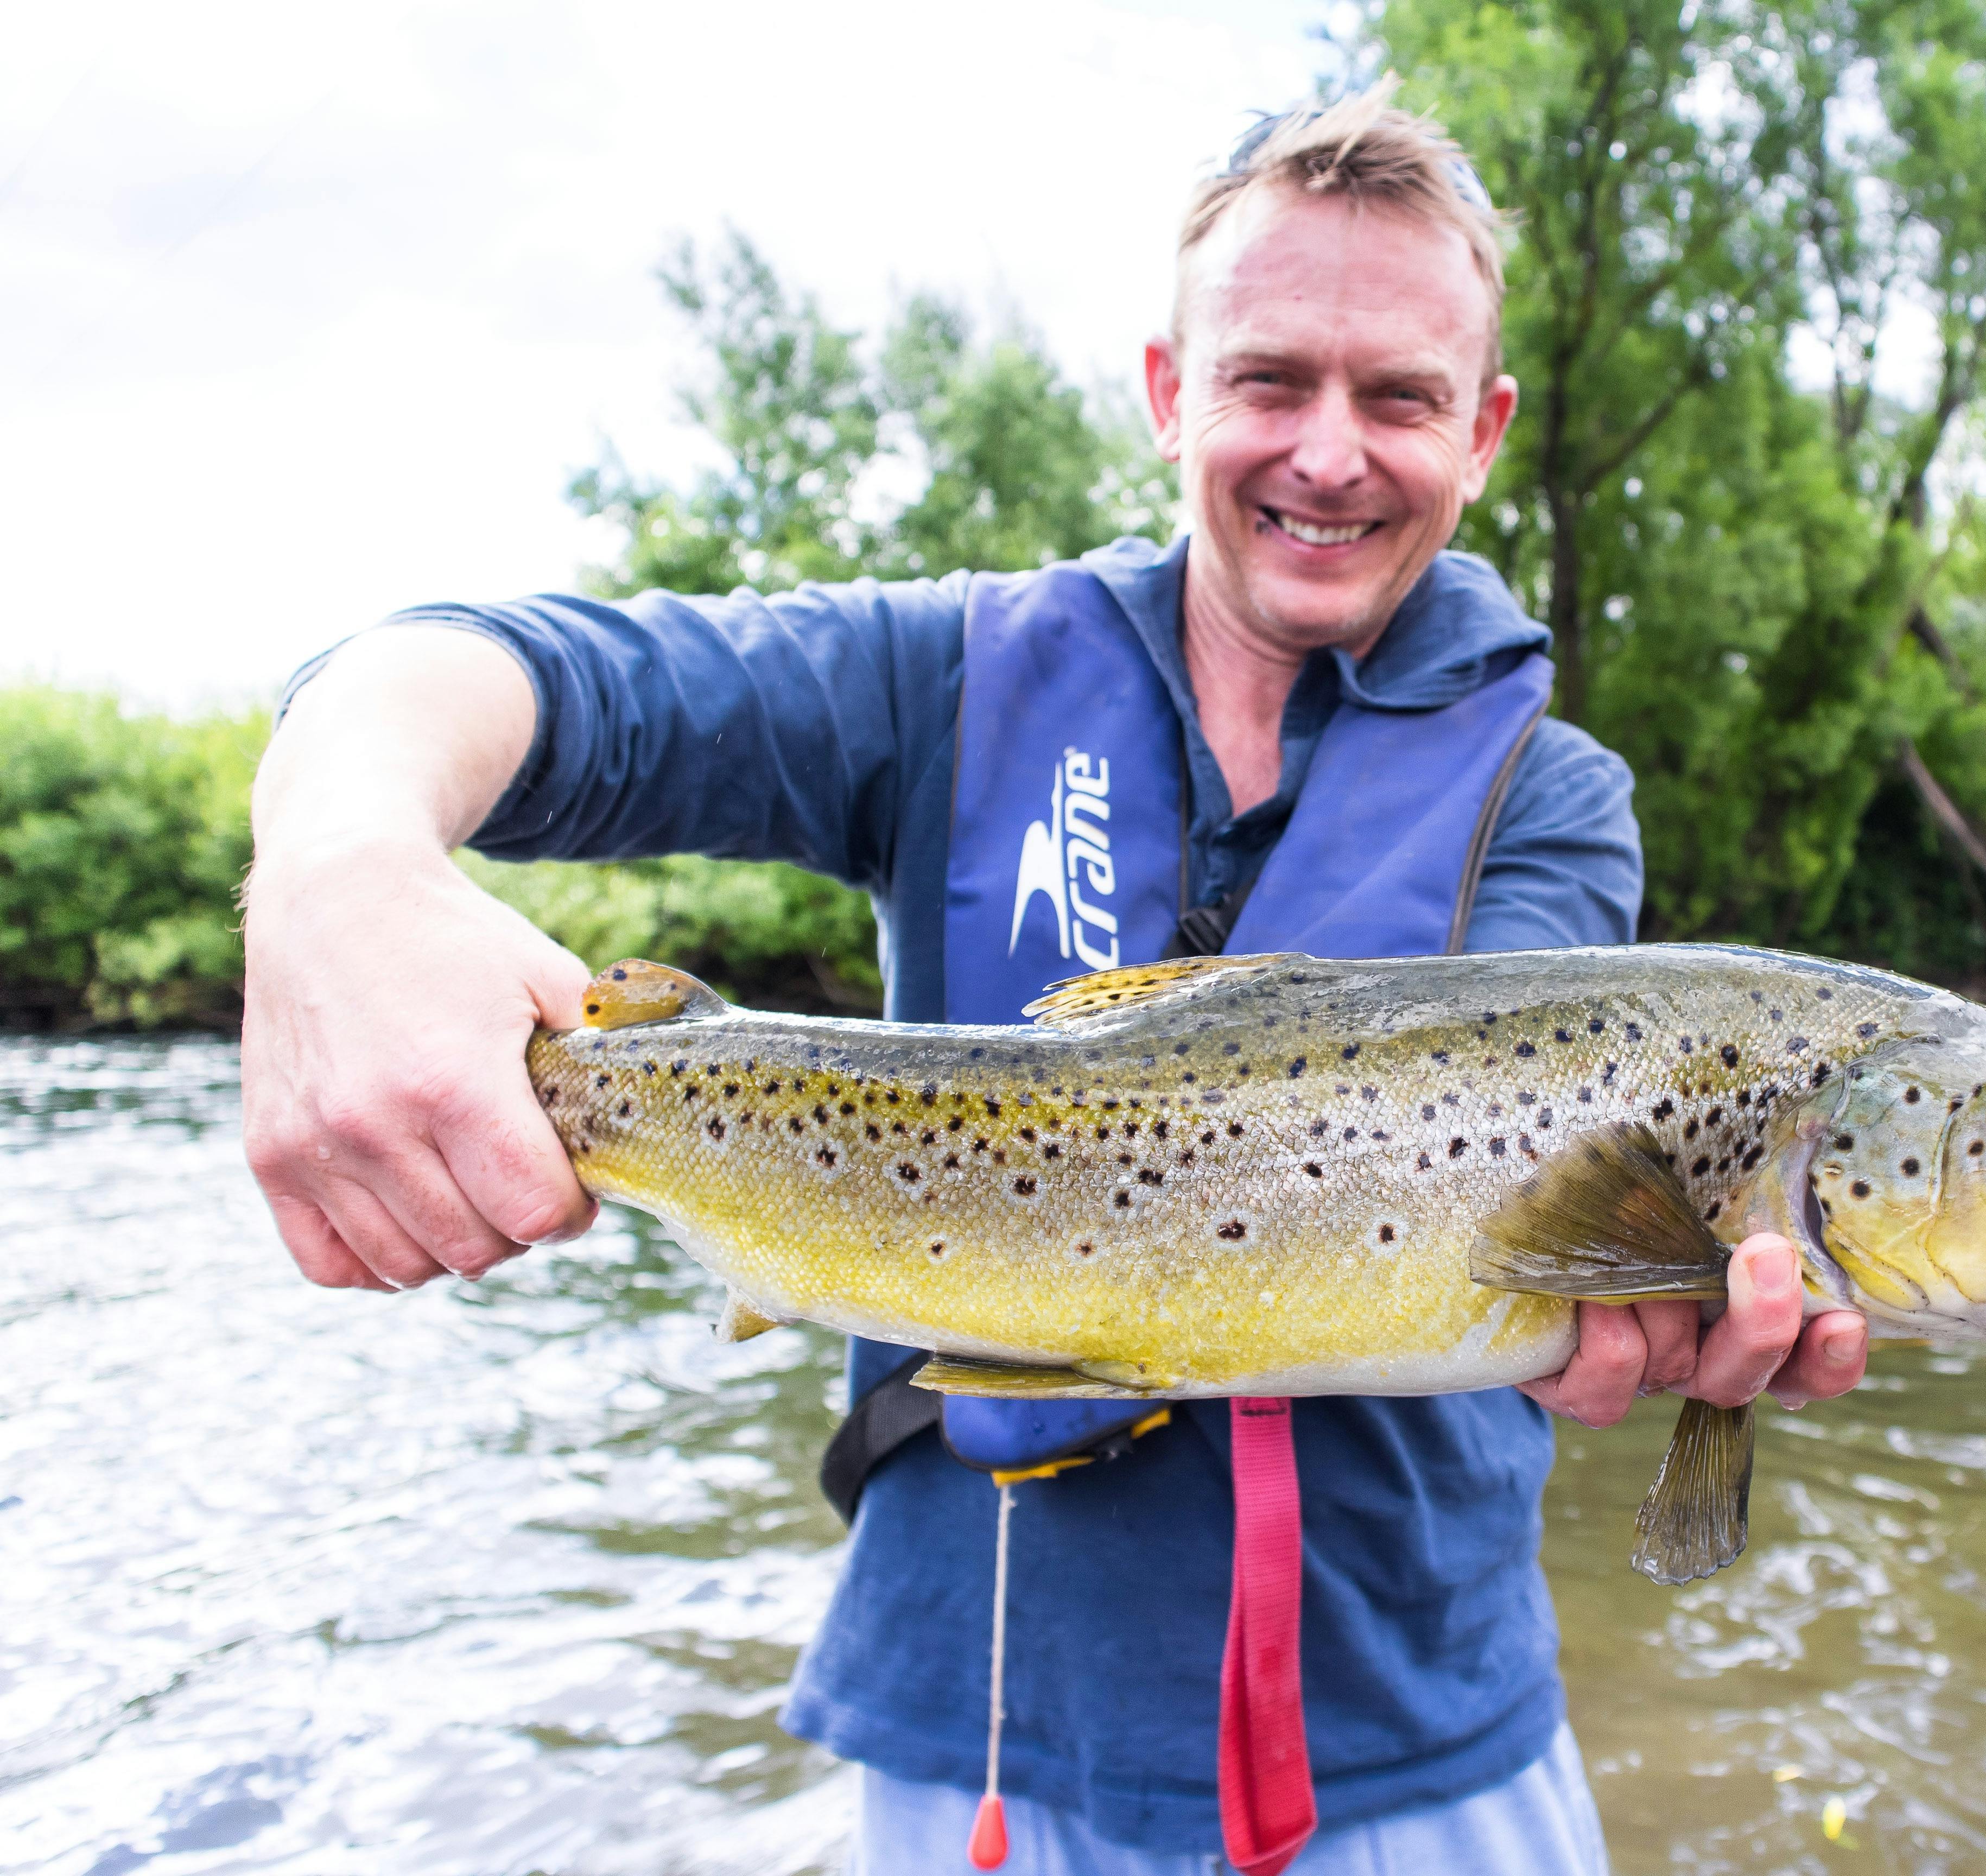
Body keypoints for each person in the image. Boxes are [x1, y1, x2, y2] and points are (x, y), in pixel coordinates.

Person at [241, 90, 1871, 1874]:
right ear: (1172, 393)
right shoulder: (940, 675)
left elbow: (1531, 1179)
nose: (1329, 453)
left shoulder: (1551, 798)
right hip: (983, 1731)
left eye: (1397, 398)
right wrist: (342, 867)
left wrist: (1653, 1309)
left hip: (1418, 1746)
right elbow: (484, 672)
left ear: (1479, 432)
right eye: (1270, 382)